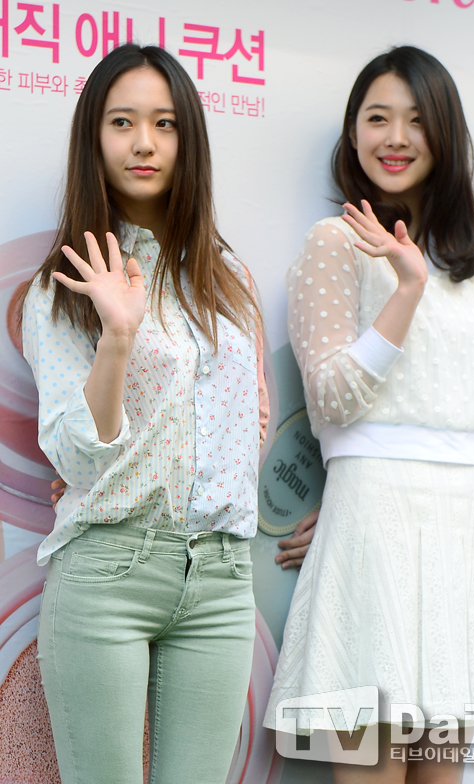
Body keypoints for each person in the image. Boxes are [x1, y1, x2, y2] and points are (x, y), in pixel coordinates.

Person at [263, 45, 474, 783]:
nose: (395, 137)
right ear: (352, 134)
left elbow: (444, 413)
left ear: (445, 135)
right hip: (372, 531)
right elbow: (331, 398)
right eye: (377, 118)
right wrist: (405, 290)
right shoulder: (334, 243)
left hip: (461, 532)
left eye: (416, 120)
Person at [21, 43, 270, 784]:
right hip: (109, 572)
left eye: (164, 124)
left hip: (222, 579)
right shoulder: (64, 287)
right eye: (122, 122)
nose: (144, 143)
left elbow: (251, 418)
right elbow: (77, 456)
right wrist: (118, 337)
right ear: (93, 138)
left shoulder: (228, 278)